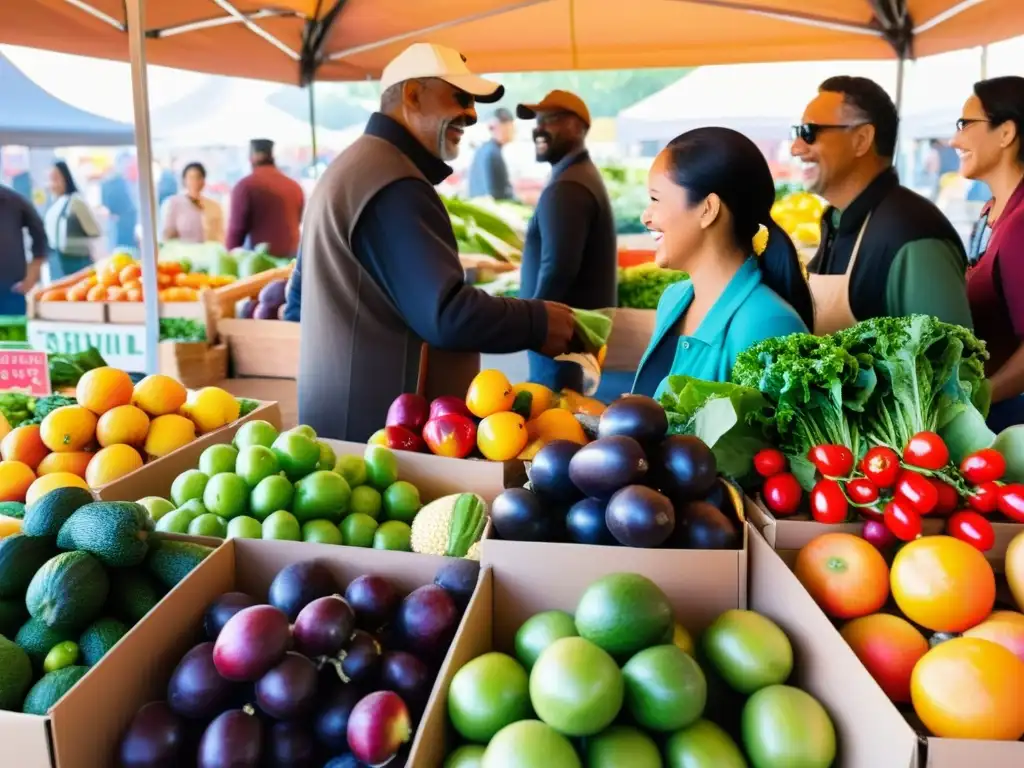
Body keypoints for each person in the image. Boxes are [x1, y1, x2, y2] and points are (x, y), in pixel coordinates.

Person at [297, 42, 577, 442]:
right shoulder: (394, 184)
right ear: (412, 94)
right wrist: (540, 321)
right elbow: (447, 316)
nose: (472, 114)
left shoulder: (352, 167)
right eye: (460, 98)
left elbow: (295, 298)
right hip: (384, 436)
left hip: (348, 424)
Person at [632, 127, 812, 397]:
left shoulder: (770, 325)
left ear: (708, 209)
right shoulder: (672, 299)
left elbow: (770, 439)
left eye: (656, 199)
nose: (646, 216)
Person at [794, 76, 973, 334]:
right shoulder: (836, 220)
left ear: (862, 139)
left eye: (809, 133)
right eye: (797, 133)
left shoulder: (912, 233)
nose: (796, 147)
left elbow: (953, 363)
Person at [516, 90, 617, 392]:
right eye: (537, 120)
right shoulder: (576, 176)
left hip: (559, 339)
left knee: (555, 420)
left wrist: (531, 324)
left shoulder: (568, 187)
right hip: (568, 336)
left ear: (578, 127)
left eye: (551, 119)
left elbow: (558, 267)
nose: (538, 127)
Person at [952, 76, 1024, 431]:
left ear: (1006, 133)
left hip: (1010, 426)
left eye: (965, 124)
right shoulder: (991, 212)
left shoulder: (1021, 224)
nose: (955, 139)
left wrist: (976, 397)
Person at [226, 139, 304, 257]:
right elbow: (298, 220)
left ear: (253, 157)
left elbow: (236, 231)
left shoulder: (247, 185)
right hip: (293, 259)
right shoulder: (294, 186)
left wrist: (228, 259)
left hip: (262, 262)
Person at [44, 161, 101, 280]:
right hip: (57, 262)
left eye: (55, 178)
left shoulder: (75, 202)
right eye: (50, 179)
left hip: (76, 262)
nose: (51, 184)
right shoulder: (53, 205)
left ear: (66, 178)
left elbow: (94, 232)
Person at [0, 184, 48, 314]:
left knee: (12, 333)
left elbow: (39, 234)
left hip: (10, 288)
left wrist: (33, 272)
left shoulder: (12, 200)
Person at [161, 162, 225, 243]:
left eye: (198, 177)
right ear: (184, 181)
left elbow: (220, 236)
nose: (195, 181)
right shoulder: (175, 204)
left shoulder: (214, 206)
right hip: (183, 253)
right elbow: (168, 236)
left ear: (203, 181)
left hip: (208, 252)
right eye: (191, 177)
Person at [467, 107, 516, 200]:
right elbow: (498, 194)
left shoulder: (483, 150)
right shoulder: (493, 154)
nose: (513, 132)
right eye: (511, 127)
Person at [101, 154, 138, 250]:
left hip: (127, 221)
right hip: (117, 221)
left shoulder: (126, 182)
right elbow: (106, 201)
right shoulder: (110, 183)